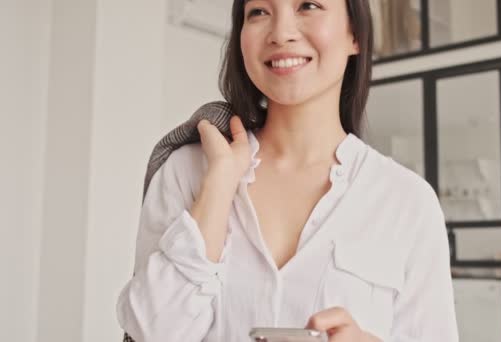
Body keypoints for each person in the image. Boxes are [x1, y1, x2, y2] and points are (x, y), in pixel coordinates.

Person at [116, 0, 459, 341]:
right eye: (259, 12)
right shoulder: (188, 170)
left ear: (354, 33)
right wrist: (217, 190)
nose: (281, 33)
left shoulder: (407, 201)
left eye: (308, 5)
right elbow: (150, 333)